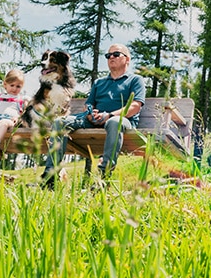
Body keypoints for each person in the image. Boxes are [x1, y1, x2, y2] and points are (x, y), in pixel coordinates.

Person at [41, 43, 146, 188]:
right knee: (60, 122)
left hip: (121, 121)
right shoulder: (99, 82)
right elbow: (88, 104)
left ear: (127, 59)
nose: (111, 58)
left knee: (114, 122)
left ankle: (103, 177)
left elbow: (135, 106)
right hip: (94, 120)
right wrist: (91, 114)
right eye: (108, 56)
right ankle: (50, 177)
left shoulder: (135, 80)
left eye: (116, 54)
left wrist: (108, 115)